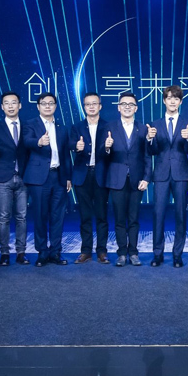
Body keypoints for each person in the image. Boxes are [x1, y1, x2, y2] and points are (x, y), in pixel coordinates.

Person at [100, 92, 151, 267]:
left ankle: (134, 252)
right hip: (117, 179)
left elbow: (147, 157)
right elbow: (102, 155)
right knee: (120, 219)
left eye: (131, 104)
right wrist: (106, 148)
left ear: (136, 108)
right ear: (118, 107)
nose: (127, 107)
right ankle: (122, 253)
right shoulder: (109, 127)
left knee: (134, 218)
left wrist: (146, 178)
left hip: (137, 180)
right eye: (124, 104)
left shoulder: (142, 128)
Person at [22, 93, 72, 267]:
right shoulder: (30, 124)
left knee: (58, 216)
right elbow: (26, 141)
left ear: (55, 106)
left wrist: (68, 177)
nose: (48, 106)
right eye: (44, 103)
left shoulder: (61, 127)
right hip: (39, 178)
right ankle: (42, 252)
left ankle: (56, 251)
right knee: (40, 215)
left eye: (51, 103)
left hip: (58, 176)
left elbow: (65, 154)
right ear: (38, 106)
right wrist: (39, 142)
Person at [148, 85, 188, 268]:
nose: (172, 101)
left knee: (181, 214)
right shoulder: (155, 123)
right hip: (161, 174)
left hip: (180, 174)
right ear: (164, 101)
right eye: (169, 98)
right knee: (158, 214)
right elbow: (152, 151)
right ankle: (157, 254)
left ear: (180, 102)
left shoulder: (187, 123)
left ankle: (177, 255)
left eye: (176, 98)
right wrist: (150, 139)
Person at [0, 91, 30, 266]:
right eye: (7, 103)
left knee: (22, 217)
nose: (11, 106)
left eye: (14, 102)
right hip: (2, 178)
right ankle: (4, 253)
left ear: (20, 105)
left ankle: (21, 253)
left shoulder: (27, 126)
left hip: (23, 178)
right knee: (3, 218)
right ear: (2, 107)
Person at [69, 92, 109, 264]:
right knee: (85, 216)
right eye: (87, 104)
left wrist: (108, 148)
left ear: (100, 106)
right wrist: (76, 146)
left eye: (94, 103)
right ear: (84, 107)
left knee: (102, 215)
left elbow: (113, 152)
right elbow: (70, 144)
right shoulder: (77, 127)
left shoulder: (108, 126)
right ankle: (86, 251)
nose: (91, 107)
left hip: (101, 175)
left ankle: (102, 251)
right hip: (82, 176)